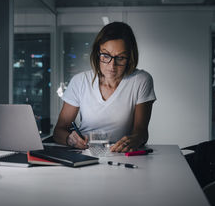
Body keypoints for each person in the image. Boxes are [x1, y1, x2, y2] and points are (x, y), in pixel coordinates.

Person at [53, 22, 156, 152]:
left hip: (120, 154)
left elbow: (141, 132)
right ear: (97, 54)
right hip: (84, 152)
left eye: (121, 58)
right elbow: (58, 131)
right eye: (106, 56)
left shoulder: (140, 80)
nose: (112, 66)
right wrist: (70, 139)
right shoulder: (80, 81)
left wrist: (135, 140)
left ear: (130, 58)